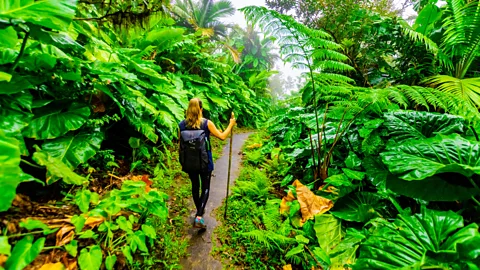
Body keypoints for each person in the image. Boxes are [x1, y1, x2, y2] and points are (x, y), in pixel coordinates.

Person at [178, 98, 236, 228]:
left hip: (189, 162)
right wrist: (231, 124)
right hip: (205, 162)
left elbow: (180, 145)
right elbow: (222, 136)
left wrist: (183, 161)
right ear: (201, 109)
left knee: (195, 186)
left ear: (188, 109)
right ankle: (199, 216)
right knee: (205, 188)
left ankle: (199, 211)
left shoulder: (181, 125)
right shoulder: (206, 123)